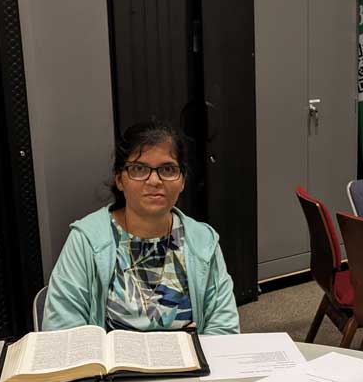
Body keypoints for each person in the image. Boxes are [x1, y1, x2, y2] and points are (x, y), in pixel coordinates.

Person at [42, 120, 239, 335]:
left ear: (182, 180)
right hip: (110, 368)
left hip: (189, 367)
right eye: (139, 168)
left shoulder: (203, 241)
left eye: (168, 169)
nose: (154, 180)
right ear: (119, 179)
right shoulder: (86, 240)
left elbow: (224, 330)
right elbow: (62, 331)